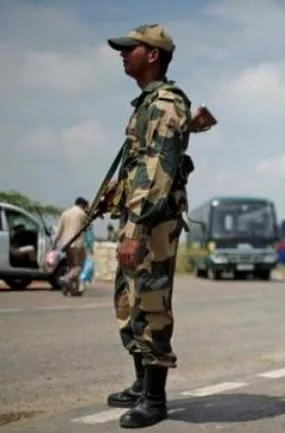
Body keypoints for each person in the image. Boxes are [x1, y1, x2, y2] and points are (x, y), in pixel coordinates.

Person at [103, 23, 193, 429]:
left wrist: (136, 227)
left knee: (152, 304)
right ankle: (141, 385)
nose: (123, 54)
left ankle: (154, 401)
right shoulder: (146, 103)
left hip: (152, 222)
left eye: (130, 48)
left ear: (153, 55)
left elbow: (157, 170)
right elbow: (138, 167)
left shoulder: (165, 103)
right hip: (138, 218)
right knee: (130, 303)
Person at [52, 197, 90, 296]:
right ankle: (65, 279)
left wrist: (55, 243)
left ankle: (72, 289)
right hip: (78, 244)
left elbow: (59, 230)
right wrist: (88, 212)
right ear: (83, 205)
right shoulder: (82, 214)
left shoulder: (65, 213)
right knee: (78, 268)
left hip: (66, 244)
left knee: (71, 267)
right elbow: (89, 226)